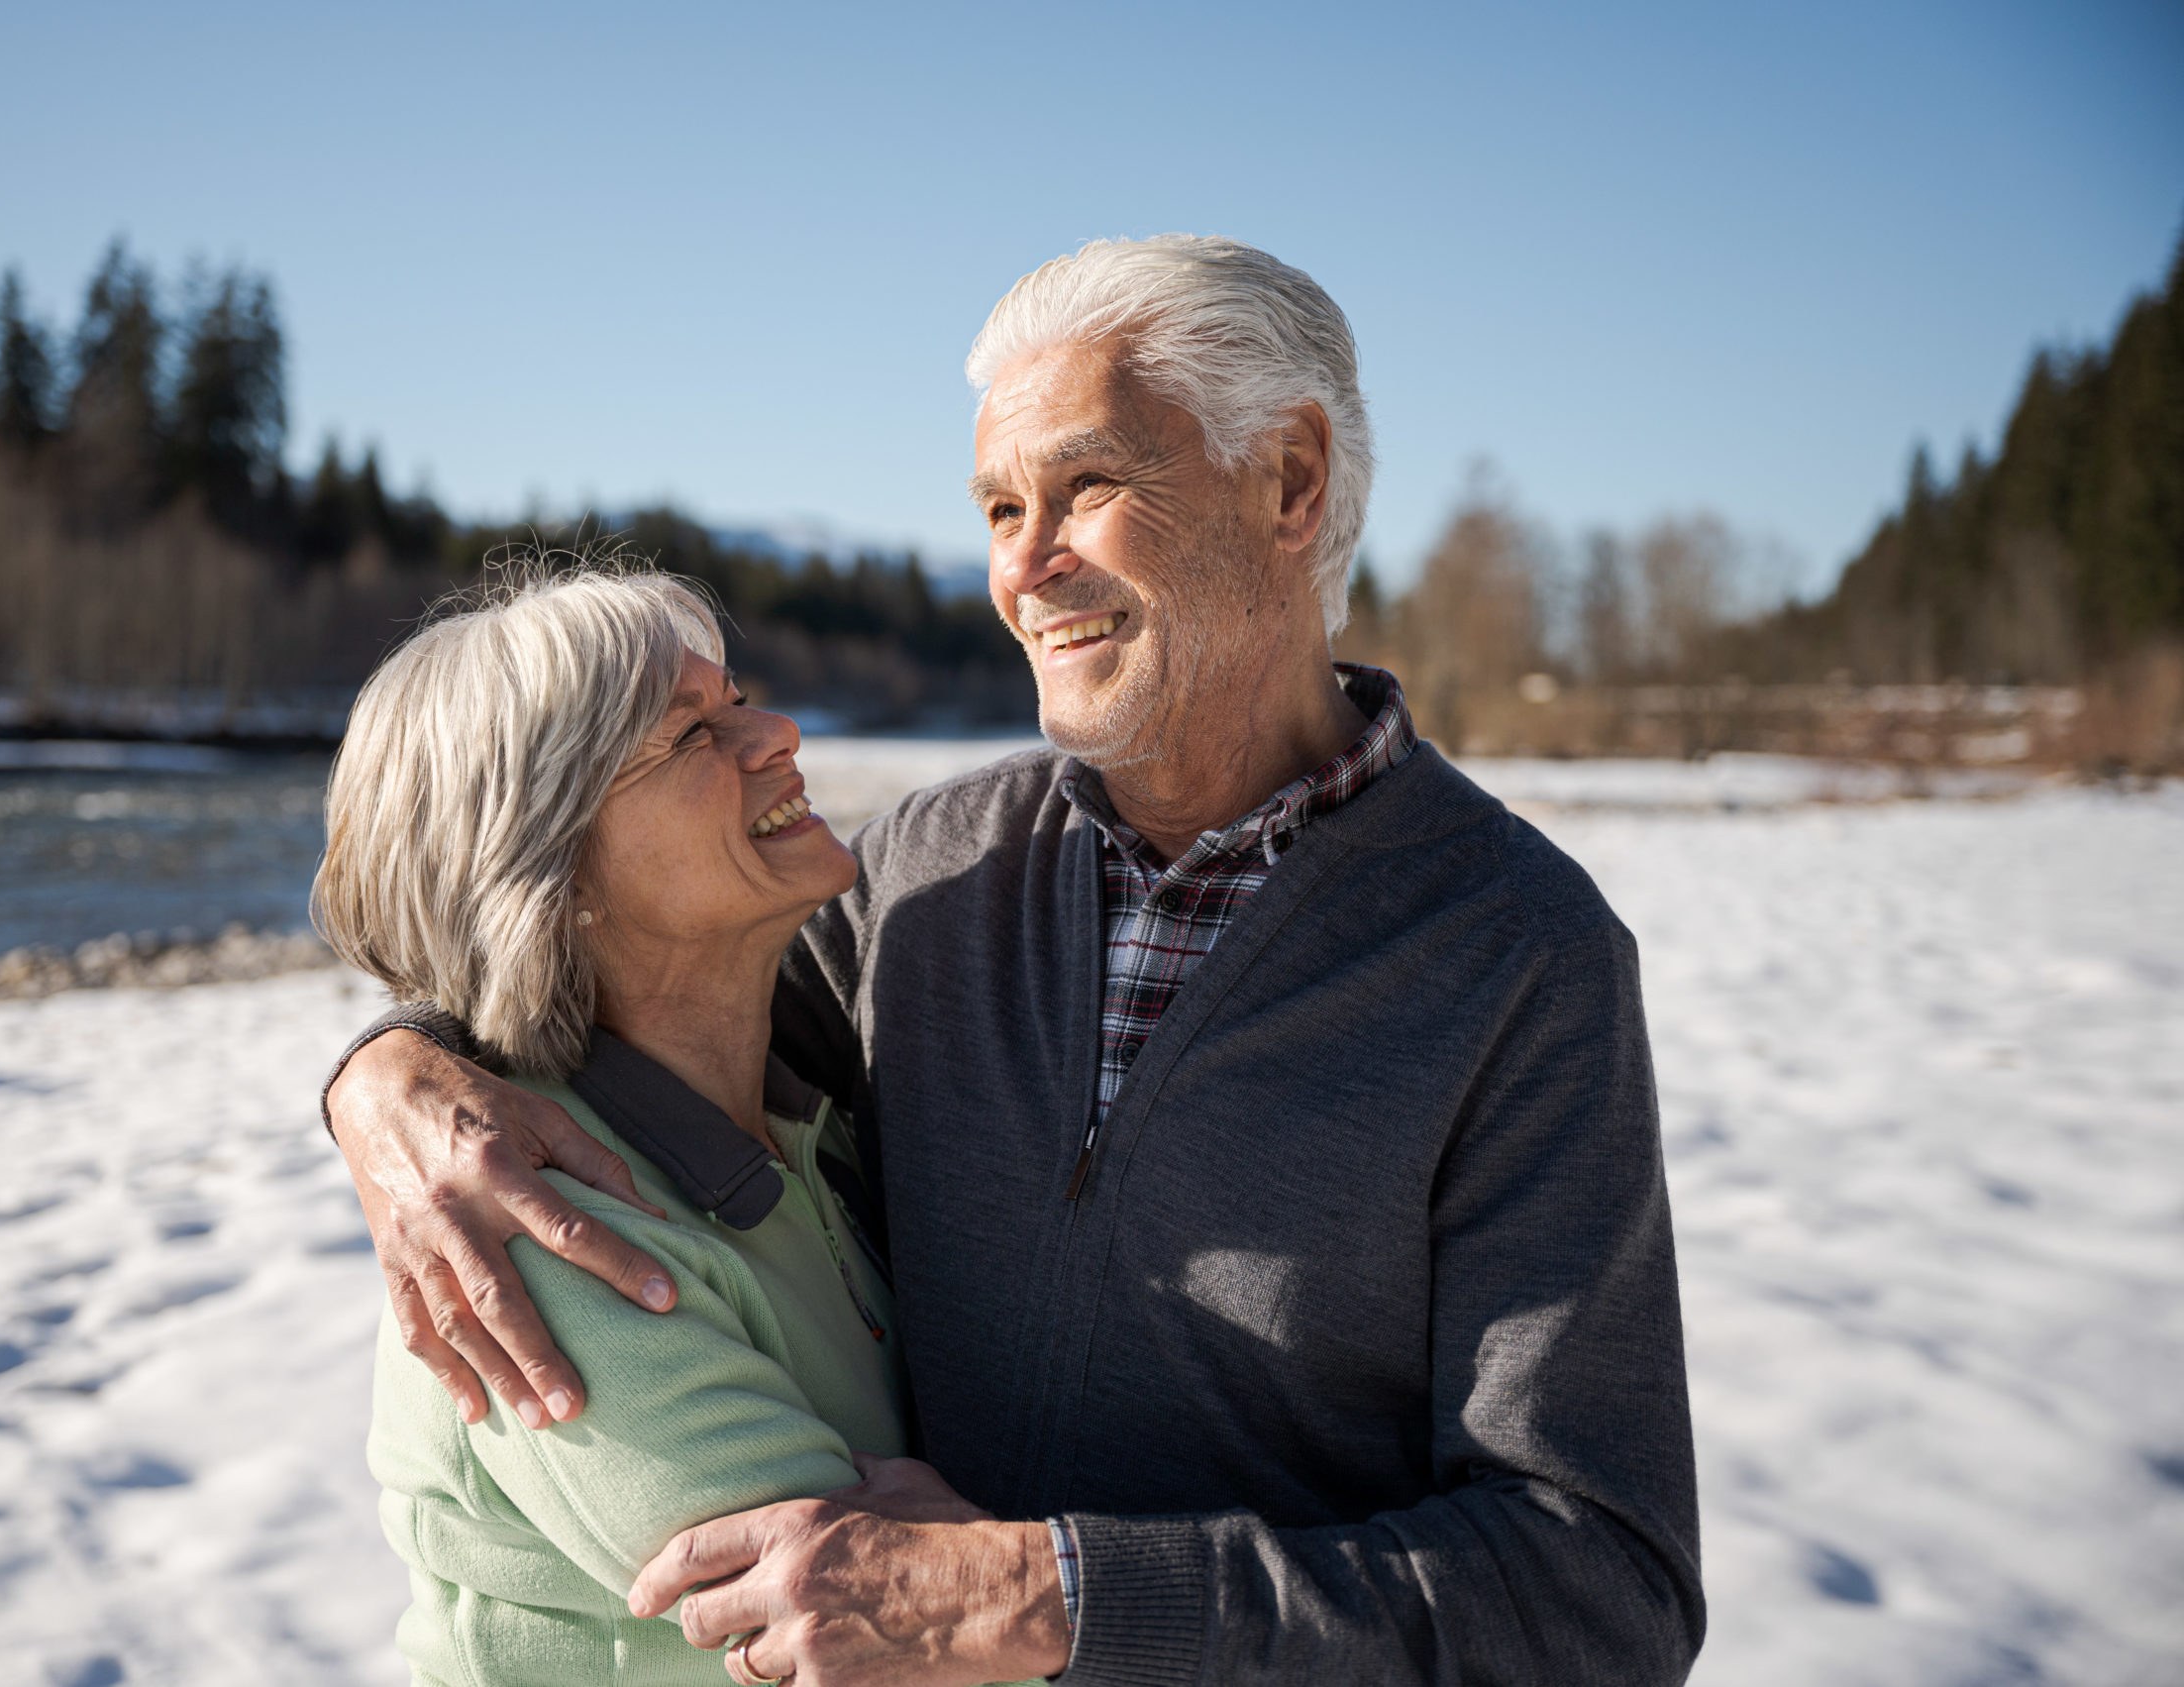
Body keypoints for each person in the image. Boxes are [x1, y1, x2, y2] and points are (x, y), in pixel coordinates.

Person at [325, 236, 1703, 1685]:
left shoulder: (1517, 954)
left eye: (1087, 486)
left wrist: (1066, 1596)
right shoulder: (929, 876)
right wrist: (390, 1072)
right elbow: (612, 1003)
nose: (1022, 567)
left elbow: (1600, 1592)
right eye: (997, 505)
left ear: (1291, 482)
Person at [308, 570, 1059, 1685]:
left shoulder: (813, 1126)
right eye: (694, 732)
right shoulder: (541, 1227)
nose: (777, 732)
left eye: (739, 695)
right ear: (547, 875)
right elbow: (906, 1644)